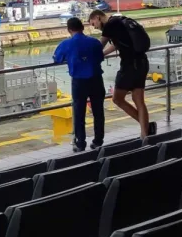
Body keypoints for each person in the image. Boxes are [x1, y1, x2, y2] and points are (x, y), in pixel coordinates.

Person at [89, 9, 156, 139]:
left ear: (98, 17)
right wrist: (102, 55)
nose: (95, 27)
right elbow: (117, 45)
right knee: (139, 100)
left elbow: (99, 45)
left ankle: (146, 128)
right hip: (142, 62)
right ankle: (145, 134)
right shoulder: (119, 20)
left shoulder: (109, 25)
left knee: (117, 99)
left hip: (129, 65)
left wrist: (89, 55)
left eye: (93, 24)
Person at [53, 17, 105, 152]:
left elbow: (57, 59)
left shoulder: (66, 44)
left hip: (79, 82)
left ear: (69, 30)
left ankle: (81, 142)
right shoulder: (95, 42)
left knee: (79, 112)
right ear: (82, 28)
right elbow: (100, 57)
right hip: (96, 79)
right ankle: (98, 140)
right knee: (98, 111)